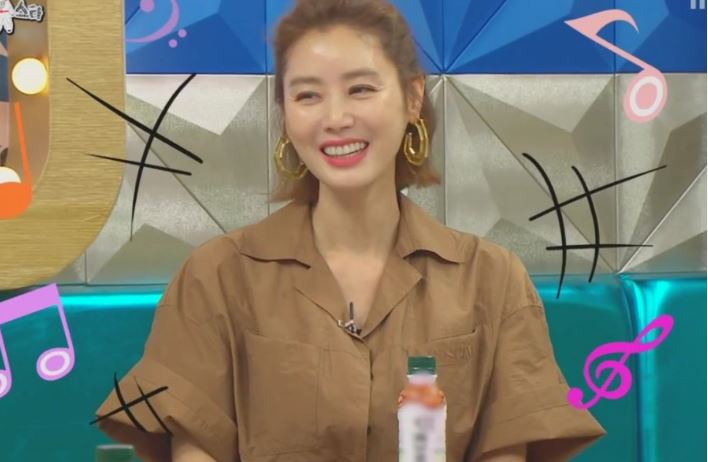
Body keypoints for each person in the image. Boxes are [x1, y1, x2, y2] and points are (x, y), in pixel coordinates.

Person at [95, 0, 606, 460]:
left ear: (412, 98)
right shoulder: (217, 276)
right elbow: (195, 449)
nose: (335, 118)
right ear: (286, 116)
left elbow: (507, 449)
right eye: (308, 95)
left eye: (360, 89)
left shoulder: (491, 279)